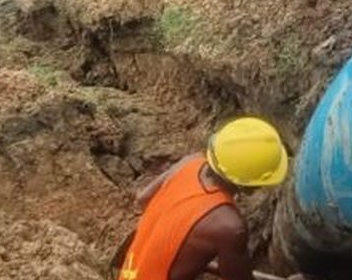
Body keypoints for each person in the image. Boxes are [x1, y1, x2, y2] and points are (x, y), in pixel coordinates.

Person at [114, 117, 290, 280]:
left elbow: (143, 199)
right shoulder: (229, 227)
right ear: (249, 183)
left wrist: (187, 252)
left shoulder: (190, 162)